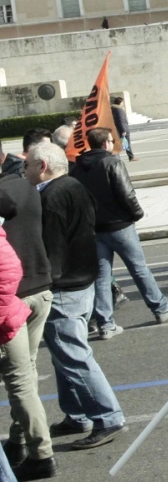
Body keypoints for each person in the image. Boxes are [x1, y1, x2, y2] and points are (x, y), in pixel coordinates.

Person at [23, 142, 128, 449]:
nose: (24, 170)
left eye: (27, 165)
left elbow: (52, 247)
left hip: (64, 286)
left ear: (42, 166)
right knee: (63, 355)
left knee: (73, 356)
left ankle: (108, 417)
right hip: (82, 280)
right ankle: (77, 414)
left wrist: (45, 282)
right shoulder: (75, 186)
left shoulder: (51, 196)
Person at [71, 128, 168, 339]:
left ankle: (106, 324)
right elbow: (126, 192)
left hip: (95, 228)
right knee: (139, 269)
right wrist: (137, 213)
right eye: (111, 140)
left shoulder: (77, 168)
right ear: (105, 143)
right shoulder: (112, 162)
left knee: (102, 277)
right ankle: (160, 308)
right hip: (120, 225)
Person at [0, 172, 56, 479]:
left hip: (12, 301)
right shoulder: (25, 185)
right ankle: (20, 439)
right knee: (26, 374)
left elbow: (7, 268)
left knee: (20, 380)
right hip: (39, 287)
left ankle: (41, 453)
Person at [111, 97, 137, 161]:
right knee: (126, 144)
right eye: (122, 102)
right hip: (123, 129)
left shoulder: (113, 109)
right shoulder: (119, 110)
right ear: (120, 102)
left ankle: (130, 156)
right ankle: (131, 157)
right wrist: (123, 130)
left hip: (118, 129)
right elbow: (120, 120)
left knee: (123, 144)